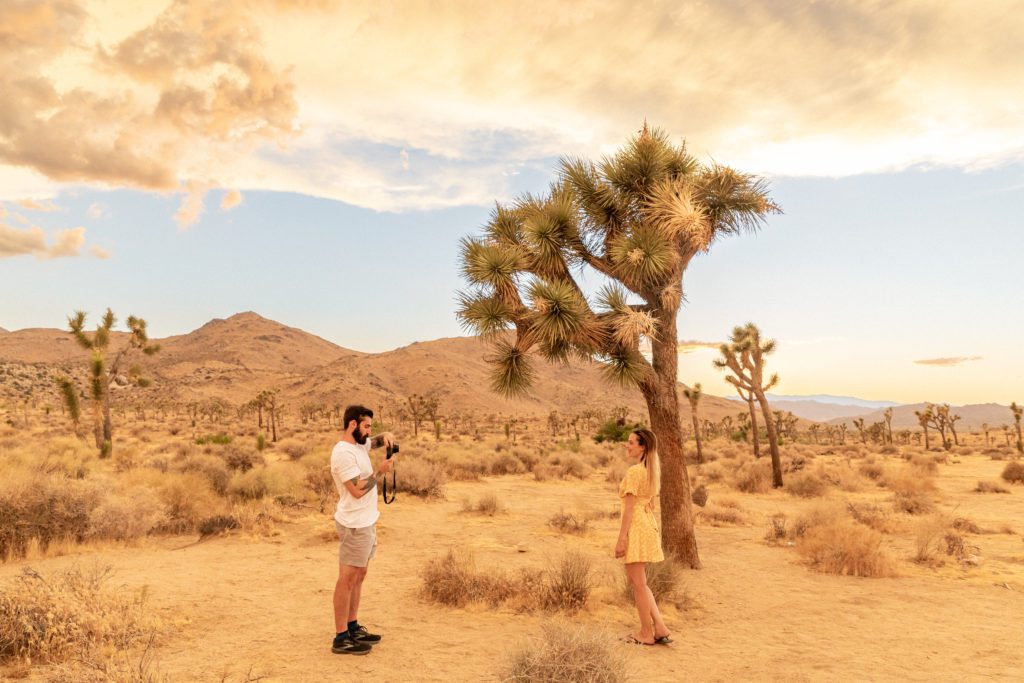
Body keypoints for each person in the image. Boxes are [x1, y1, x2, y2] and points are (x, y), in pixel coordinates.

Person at [329, 404, 396, 655]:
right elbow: (356, 491)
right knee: (347, 579)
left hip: (367, 521)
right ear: (353, 425)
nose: (370, 432)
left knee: (359, 575)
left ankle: (353, 626)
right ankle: (341, 637)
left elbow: (373, 443)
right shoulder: (342, 453)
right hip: (354, 525)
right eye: (367, 426)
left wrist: (385, 436)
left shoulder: (358, 445)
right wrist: (379, 472)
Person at [615, 428, 673, 646]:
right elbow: (650, 503)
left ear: (643, 447)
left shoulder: (635, 472)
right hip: (648, 524)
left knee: (638, 584)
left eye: (631, 442)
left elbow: (629, 509)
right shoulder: (651, 471)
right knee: (639, 582)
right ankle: (660, 626)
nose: (627, 445)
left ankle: (646, 633)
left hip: (637, 527)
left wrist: (622, 538)